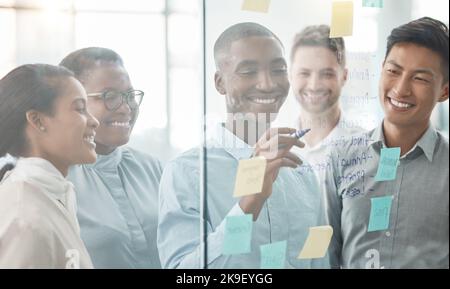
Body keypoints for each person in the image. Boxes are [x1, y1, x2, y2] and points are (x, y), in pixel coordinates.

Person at [158, 22, 329, 269]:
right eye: (248, 71)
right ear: (220, 83)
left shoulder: (301, 172)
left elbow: (318, 261)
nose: (268, 84)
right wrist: (250, 201)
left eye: (278, 69)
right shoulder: (187, 173)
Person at [325, 17, 449, 269]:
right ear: (381, 69)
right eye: (393, 71)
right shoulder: (342, 156)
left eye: (420, 78)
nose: (401, 89)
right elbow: (327, 254)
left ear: (444, 91)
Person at [61, 47, 163, 269]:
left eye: (129, 95)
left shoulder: (151, 168)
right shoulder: (58, 180)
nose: (126, 108)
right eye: (110, 97)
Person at [0, 64, 99, 268]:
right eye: (80, 109)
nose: (94, 121)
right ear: (37, 120)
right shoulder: (24, 217)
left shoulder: (52, 194)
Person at [290, 25, 364, 184]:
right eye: (304, 73)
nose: (314, 85)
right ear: (290, 75)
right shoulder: (272, 145)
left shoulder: (365, 148)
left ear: (344, 76)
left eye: (327, 74)